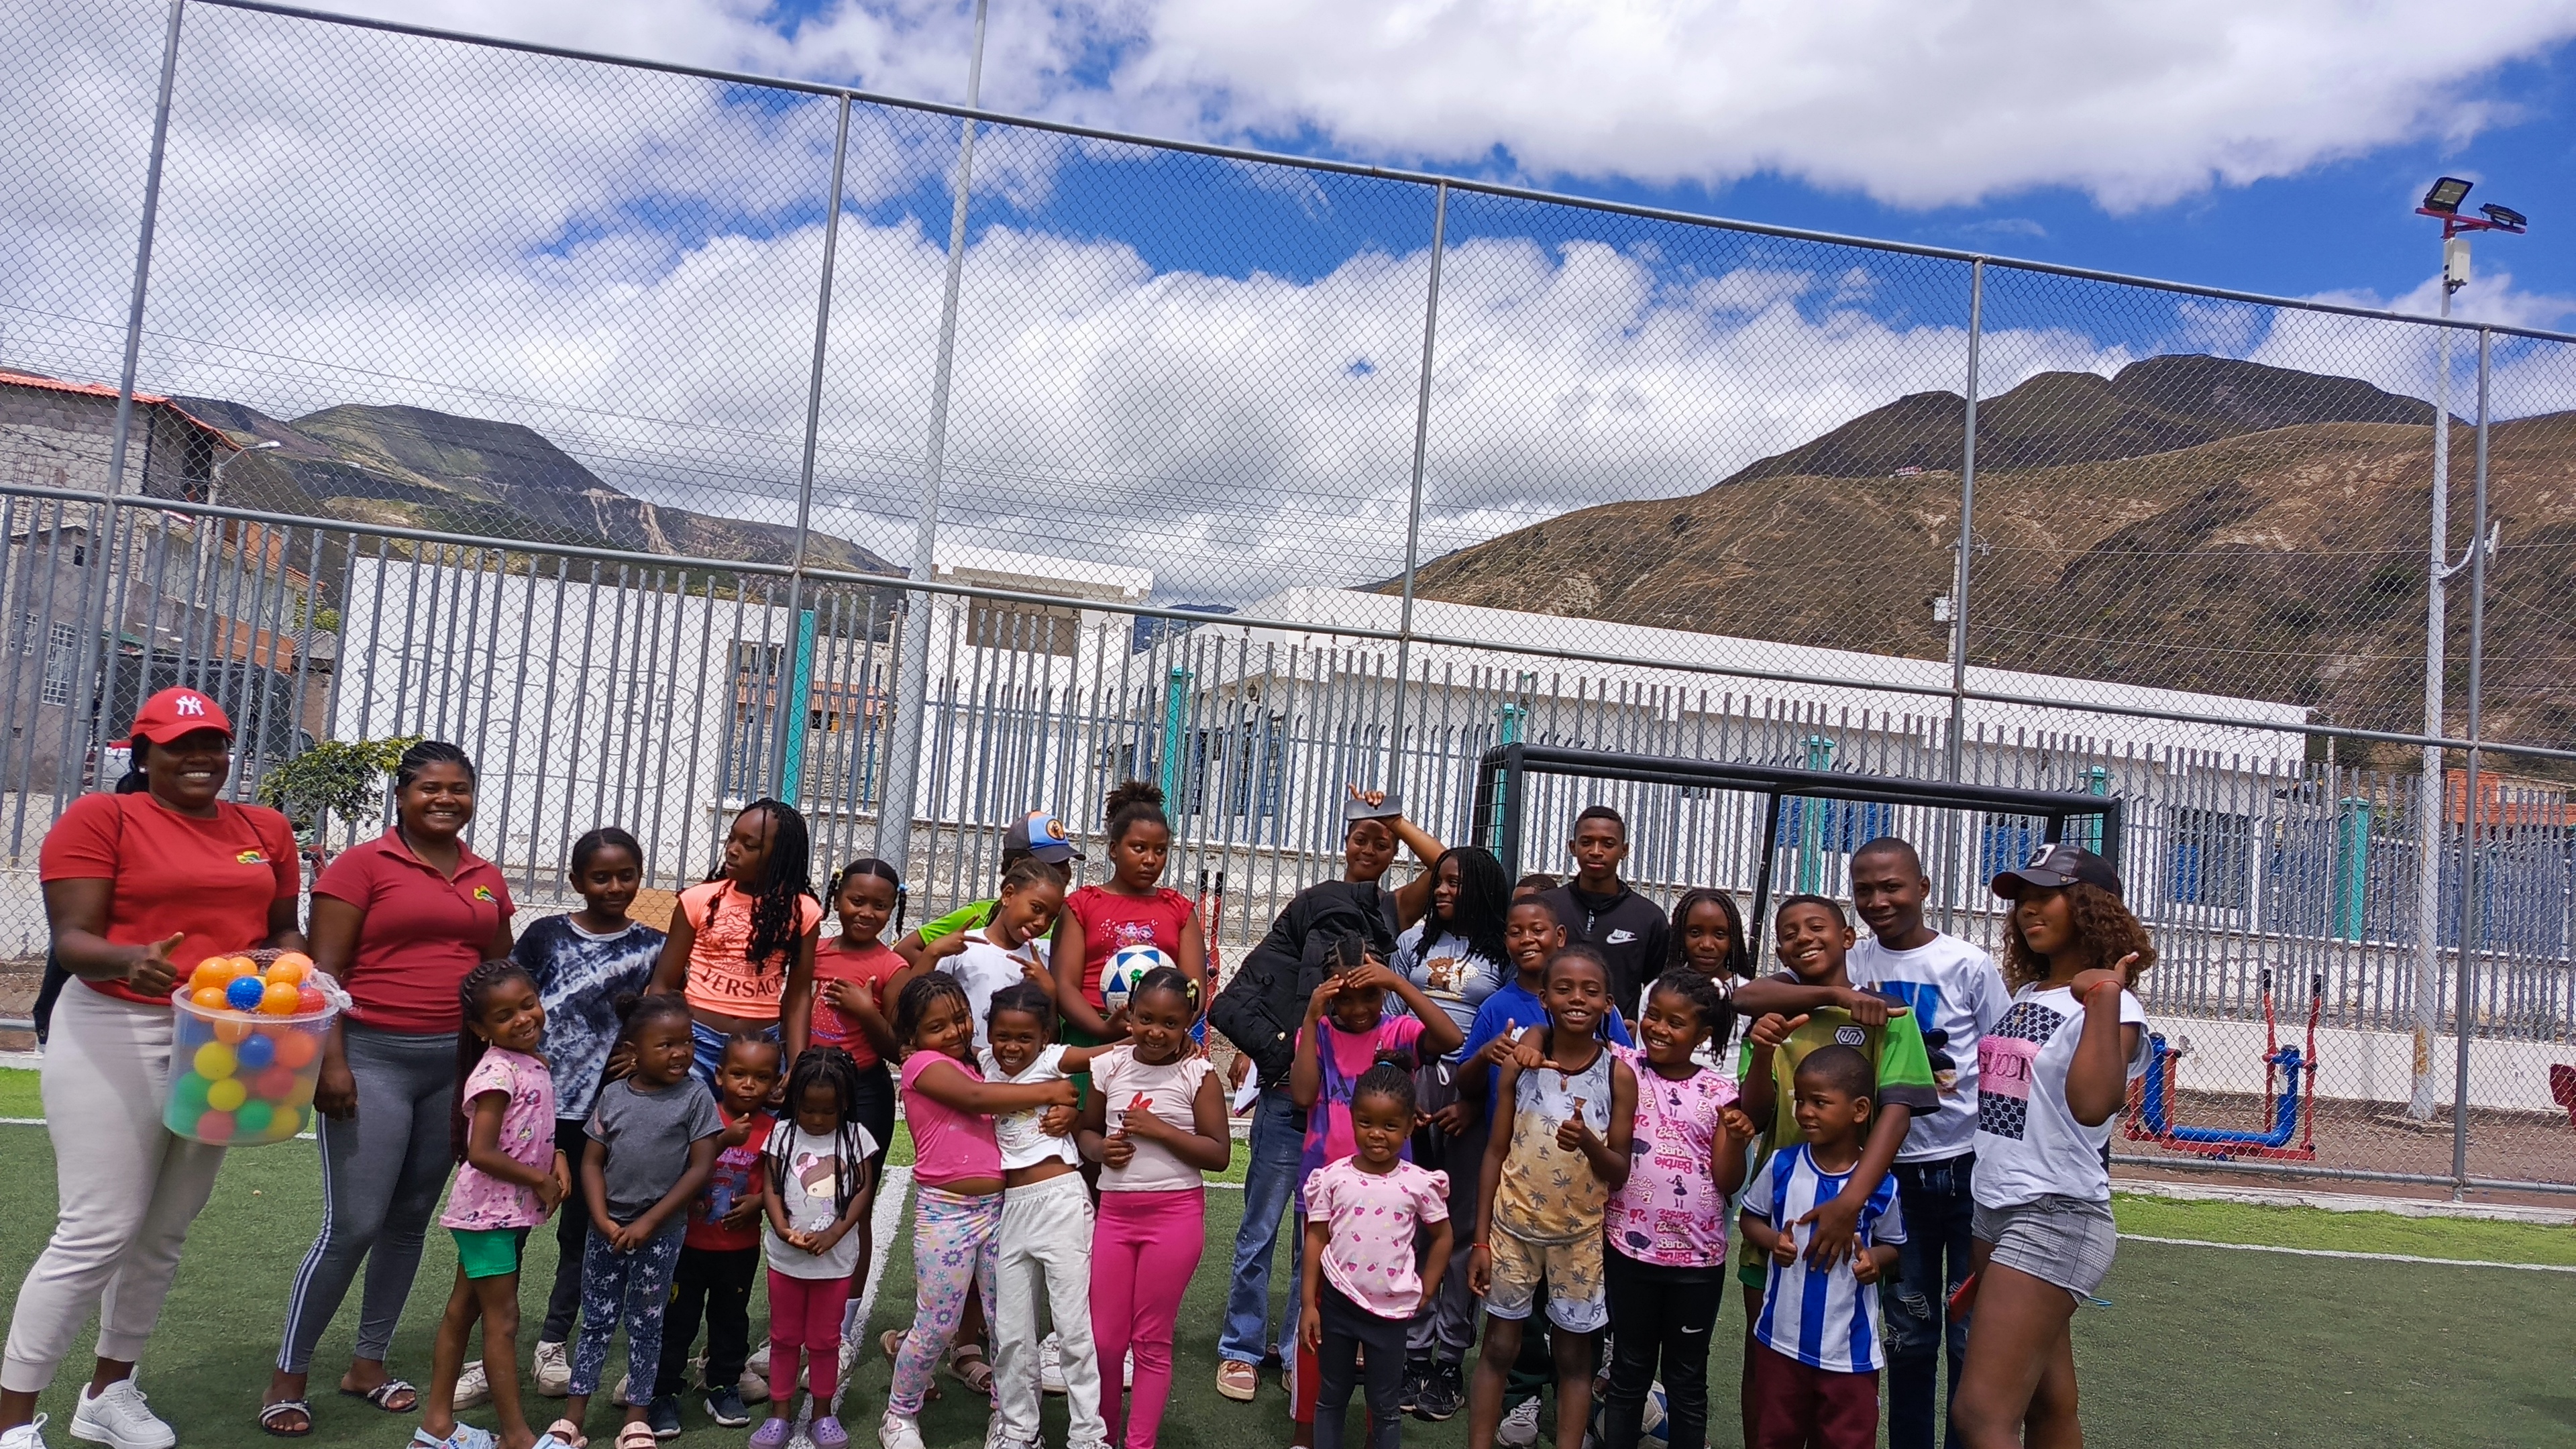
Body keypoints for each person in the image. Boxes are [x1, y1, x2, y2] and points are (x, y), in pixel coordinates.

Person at [8, 689, 303, 1449]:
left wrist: (294, 970)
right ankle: (11, 1422)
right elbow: (73, 939)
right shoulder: (101, 818)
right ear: (144, 755)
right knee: (97, 1229)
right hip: (115, 1021)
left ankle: (108, 1393)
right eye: (179, 745)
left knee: (166, 1228)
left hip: (225, 1038)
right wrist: (127, 959)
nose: (200, 757)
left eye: (213, 743)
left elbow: (281, 929)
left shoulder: (264, 830)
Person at [271, 740, 515, 1435]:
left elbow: (497, 976)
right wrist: (331, 1063)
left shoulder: (485, 876)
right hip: (371, 1058)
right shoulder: (361, 866)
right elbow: (324, 974)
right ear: (402, 795)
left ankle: (368, 1365)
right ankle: (288, 1376)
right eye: (430, 788)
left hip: (454, 1067)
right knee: (353, 1225)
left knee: (409, 1221)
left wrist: (498, 1071)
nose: (445, 800)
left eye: (458, 789)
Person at [1735, 840, 2003, 1449]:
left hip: (1951, 1166)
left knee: (1966, 1332)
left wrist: (1852, 1199)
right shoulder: (1849, 968)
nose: (1879, 900)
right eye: (1865, 890)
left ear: (1923, 887)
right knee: (1901, 1332)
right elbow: (1747, 998)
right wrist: (1834, 997)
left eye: (1893, 887)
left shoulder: (1963, 965)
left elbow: (1989, 1061)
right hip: (1871, 1181)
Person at [1209, 789, 1446, 1404]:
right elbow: (1270, 984)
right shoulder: (1312, 905)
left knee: (1308, 1241)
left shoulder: (1390, 911)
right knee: (1258, 1231)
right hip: (1289, 1095)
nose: (1370, 848)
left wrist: (1393, 818)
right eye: (1361, 837)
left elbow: (1447, 866)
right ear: (1344, 843)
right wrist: (1265, 1049)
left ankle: (1297, 1349)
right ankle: (1240, 1346)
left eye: (1382, 843)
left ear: (1392, 854)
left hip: (1340, 1116)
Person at [1947, 845, 2152, 1449]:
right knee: (2048, 1405)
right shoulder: (2032, 992)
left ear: (2089, 907)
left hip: (2054, 1213)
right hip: (1995, 1208)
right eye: (2022, 900)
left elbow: (2094, 1103)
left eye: (2046, 896)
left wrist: (2105, 996)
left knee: (1980, 1414)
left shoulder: (2114, 1004)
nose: (2028, 910)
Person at [1731, 895, 1937, 1449]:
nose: (1803, 937)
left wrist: (1852, 1201)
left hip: (1855, 1217)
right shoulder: (1773, 1017)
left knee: (1844, 1366)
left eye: (1816, 926)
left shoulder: (1889, 1016)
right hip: (1780, 1215)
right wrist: (1765, 1046)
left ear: (1849, 938)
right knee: (1764, 1360)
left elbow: (1897, 1114)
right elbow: (1754, 1113)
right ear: (1779, 951)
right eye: (1789, 932)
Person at [1456, 895, 1627, 1448]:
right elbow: (1495, 1152)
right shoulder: (1520, 1066)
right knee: (1500, 1348)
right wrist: (1481, 1240)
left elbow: (1620, 1169)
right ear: (1544, 998)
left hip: (1580, 1237)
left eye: (1590, 991)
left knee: (1576, 1358)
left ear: (1608, 1003)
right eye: (1564, 989)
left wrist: (1591, 1145)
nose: (1577, 999)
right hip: (1512, 1230)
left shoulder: (1618, 1075)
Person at [879, 975, 1078, 1449]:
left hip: (1000, 1210)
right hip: (945, 1213)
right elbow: (976, 1099)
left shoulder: (983, 1064)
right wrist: (1052, 1093)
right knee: (937, 1322)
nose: (954, 1031)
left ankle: (1009, 1417)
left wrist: (1066, 1106)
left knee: (1008, 1322)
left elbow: (1032, 1088)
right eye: (937, 1027)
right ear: (912, 1037)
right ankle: (899, 1413)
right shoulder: (922, 1065)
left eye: (960, 1019)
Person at [513, 828, 667, 1403]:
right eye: (600, 877)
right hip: (533, 1112)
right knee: (509, 1231)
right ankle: (494, 1338)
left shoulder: (653, 946)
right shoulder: (544, 935)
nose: (614, 887)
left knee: (581, 1233)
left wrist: (639, 1055)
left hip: (600, 1120)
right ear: (577, 880)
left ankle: (553, 1340)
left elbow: (662, 1019)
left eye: (626, 875)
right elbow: (509, 1005)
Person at [1284, 957, 1462, 1447]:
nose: (1359, 1008)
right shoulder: (1318, 1033)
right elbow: (1302, 1094)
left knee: (1379, 1335)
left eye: (1370, 995)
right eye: (1345, 998)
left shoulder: (1397, 1030)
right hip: (1327, 1196)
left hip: (1390, 1203)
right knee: (1317, 1323)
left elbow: (1450, 1038)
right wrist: (1310, 1017)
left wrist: (1397, 981)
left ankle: (1372, 1432)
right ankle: (1306, 1432)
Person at [416, 962, 572, 1449]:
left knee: (462, 1312)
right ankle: (516, 1437)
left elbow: (528, 1131)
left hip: (499, 1213)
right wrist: (539, 1180)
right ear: (481, 1029)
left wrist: (558, 1157)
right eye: (504, 1016)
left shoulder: (531, 1061)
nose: (523, 1019)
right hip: (487, 1215)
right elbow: (481, 1151)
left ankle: (436, 1427)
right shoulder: (496, 1072)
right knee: (502, 1321)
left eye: (528, 1005)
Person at [559, 994, 721, 1449]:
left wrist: (649, 1222)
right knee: (596, 1321)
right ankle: (573, 1417)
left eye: (687, 1042)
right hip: (606, 1232)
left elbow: (700, 1168)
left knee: (647, 1322)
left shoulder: (695, 1097)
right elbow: (591, 1162)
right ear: (633, 1049)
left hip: (660, 1235)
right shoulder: (613, 1096)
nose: (680, 1053)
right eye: (666, 1045)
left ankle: (636, 1418)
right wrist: (601, 1218)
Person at [1077, 968, 1230, 1449]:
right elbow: (1086, 1131)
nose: (1156, 1032)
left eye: (1170, 1023)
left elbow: (1219, 1154)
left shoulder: (1197, 1074)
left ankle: (1138, 1442)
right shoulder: (1109, 1066)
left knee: (1151, 1339)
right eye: (1146, 1019)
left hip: (1174, 1218)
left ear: (1188, 1024)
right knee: (1105, 1340)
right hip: (1115, 1217)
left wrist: (1160, 1129)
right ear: (1129, 1015)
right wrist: (1100, 1150)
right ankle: (1100, 1437)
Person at [1389, 846, 1511, 1422]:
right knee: (1414, 1221)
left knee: (1462, 1227)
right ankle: (1413, 1351)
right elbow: (1392, 1017)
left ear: (1481, 889)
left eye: (1455, 883)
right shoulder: (1413, 942)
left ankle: (1449, 1358)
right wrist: (1400, 1090)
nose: (1440, 890)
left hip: (1471, 1097)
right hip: (1414, 1089)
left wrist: (1474, 1101)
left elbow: (1504, 1029)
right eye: (1439, 881)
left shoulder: (1501, 953)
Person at [1601, 970, 1746, 1449]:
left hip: (1697, 1262)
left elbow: (1727, 1181)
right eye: (1654, 1016)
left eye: (1676, 1022)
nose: (1659, 1028)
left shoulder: (1720, 1093)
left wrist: (1736, 1140)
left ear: (1703, 1036)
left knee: (1686, 1378)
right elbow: (1565, 1039)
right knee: (1629, 1369)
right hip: (1630, 1252)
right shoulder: (1623, 1065)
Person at [1738, 1046, 1905, 1449]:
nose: (1805, 1112)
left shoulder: (1881, 1185)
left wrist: (1874, 1261)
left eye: (1819, 1102)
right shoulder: (1782, 1165)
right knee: (1775, 1437)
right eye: (1800, 1101)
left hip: (1848, 1353)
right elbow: (1750, 1219)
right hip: (1780, 1341)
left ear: (1860, 1110)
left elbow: (1894, 1247)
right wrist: (1773, 1241)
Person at [981, 981, 1110, 1449]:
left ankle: (1087, 1434)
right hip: (1012, 1210)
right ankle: (1019, 1430)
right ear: (989, 1034)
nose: (1012, 1047)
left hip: (1060, 1203)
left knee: (1073, 1328)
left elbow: (1105, 1054)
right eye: (1003, 1035)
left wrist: (1149, 1036)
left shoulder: (1053, 1060)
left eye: (1024, 1038)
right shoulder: (983, 1064)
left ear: (1044, 1038)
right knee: (1012, 1332)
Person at [1299, 1063, 1452, 1449]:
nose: (1377, 1134)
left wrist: (1427, 1288)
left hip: (1390, 1314)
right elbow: (1315, 1238)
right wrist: (1308, 1304)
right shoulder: (1333, 1178)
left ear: (1410, 1125)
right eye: (1366, 1122)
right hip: (1338, 1305)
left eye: (1390, 1125)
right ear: (1352, 1118)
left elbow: (1444, 1236)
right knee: (1332, 1394)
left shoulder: (1418, 1183)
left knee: (1384, 1403)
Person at [649, 1034, 782, 1434]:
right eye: (739, 1074)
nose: (748, 1085)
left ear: (775, 1083)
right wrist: (723, 1140)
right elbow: (677, 1169)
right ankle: (662, 1391)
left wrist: (759, 1201)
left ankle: (723, 1385)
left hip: (738, 1250)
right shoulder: (701, 1117)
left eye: (761, 1077)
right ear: (720, 1076)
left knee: (731, 1321)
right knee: (677, 1321)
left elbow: (779, 1184)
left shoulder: (775, 1131)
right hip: (687, 1246)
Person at [647, 799, 822, 1091]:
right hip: (695, 1042)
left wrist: (796, 1063)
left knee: (756, 1122)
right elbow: (663, 983)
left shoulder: (802, 911)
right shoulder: (698, 899)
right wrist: (654, 1045)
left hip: (761, 1050)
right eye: (732, 839)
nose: (733, 850)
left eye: (749, 845)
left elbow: (798, 996)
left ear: (780, 856)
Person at [752, 1048, 879, 1449]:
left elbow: (862, 1191)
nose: (818, 1119)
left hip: (835, 1264)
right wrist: (781, 1227)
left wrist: (835, 1234)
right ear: (795, 1102)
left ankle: (823, 1413)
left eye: (828, 1111)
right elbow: (771, 1187)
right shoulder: (782, 1134)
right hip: (785, 1260)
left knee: (825, 1341)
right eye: (808, 1109)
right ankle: (779, 1413)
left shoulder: (856, 1138)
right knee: (784, 1337)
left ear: (845, 1104)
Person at [1052, 782, 1206, 1051]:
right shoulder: (1082, 905)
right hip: (1090, 1037)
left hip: (1159, 1039)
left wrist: (1169, 1029)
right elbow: (1064, 985)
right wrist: (1102, 1029)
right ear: (1114, 849)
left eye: (1160, 850)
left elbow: (1195, 988)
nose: (1150, 859)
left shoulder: (1179, 909)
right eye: (1139, 848)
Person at [904, 857, 1065, 1053]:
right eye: (1036, 908)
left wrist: (1050, 992)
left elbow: (1049, 1042)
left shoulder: (1042, 963)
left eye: (1051, 918)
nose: (1042, 923)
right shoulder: (963, 947)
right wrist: (933, 952)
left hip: (1013, 1069)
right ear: (1008, 895)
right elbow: (911, 1007)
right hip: (959, 1065)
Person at [892, 810, 1081, 967]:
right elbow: (907, 948)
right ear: (1017, 866)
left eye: (1066, 862)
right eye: (1051, 865)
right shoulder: (979, 915)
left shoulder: (1067, 919)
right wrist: (949, 986)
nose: (1064, 872)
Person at [1538, 807, 1669, 1017]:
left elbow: (1655, 987)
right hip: (1549, 1028)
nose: (1596, 851)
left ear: (1624, 850)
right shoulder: (1546, 908)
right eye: (1586, 842)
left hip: (1618, 1033)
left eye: (1608, 844)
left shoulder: (1649, 917)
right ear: (1573, 847)